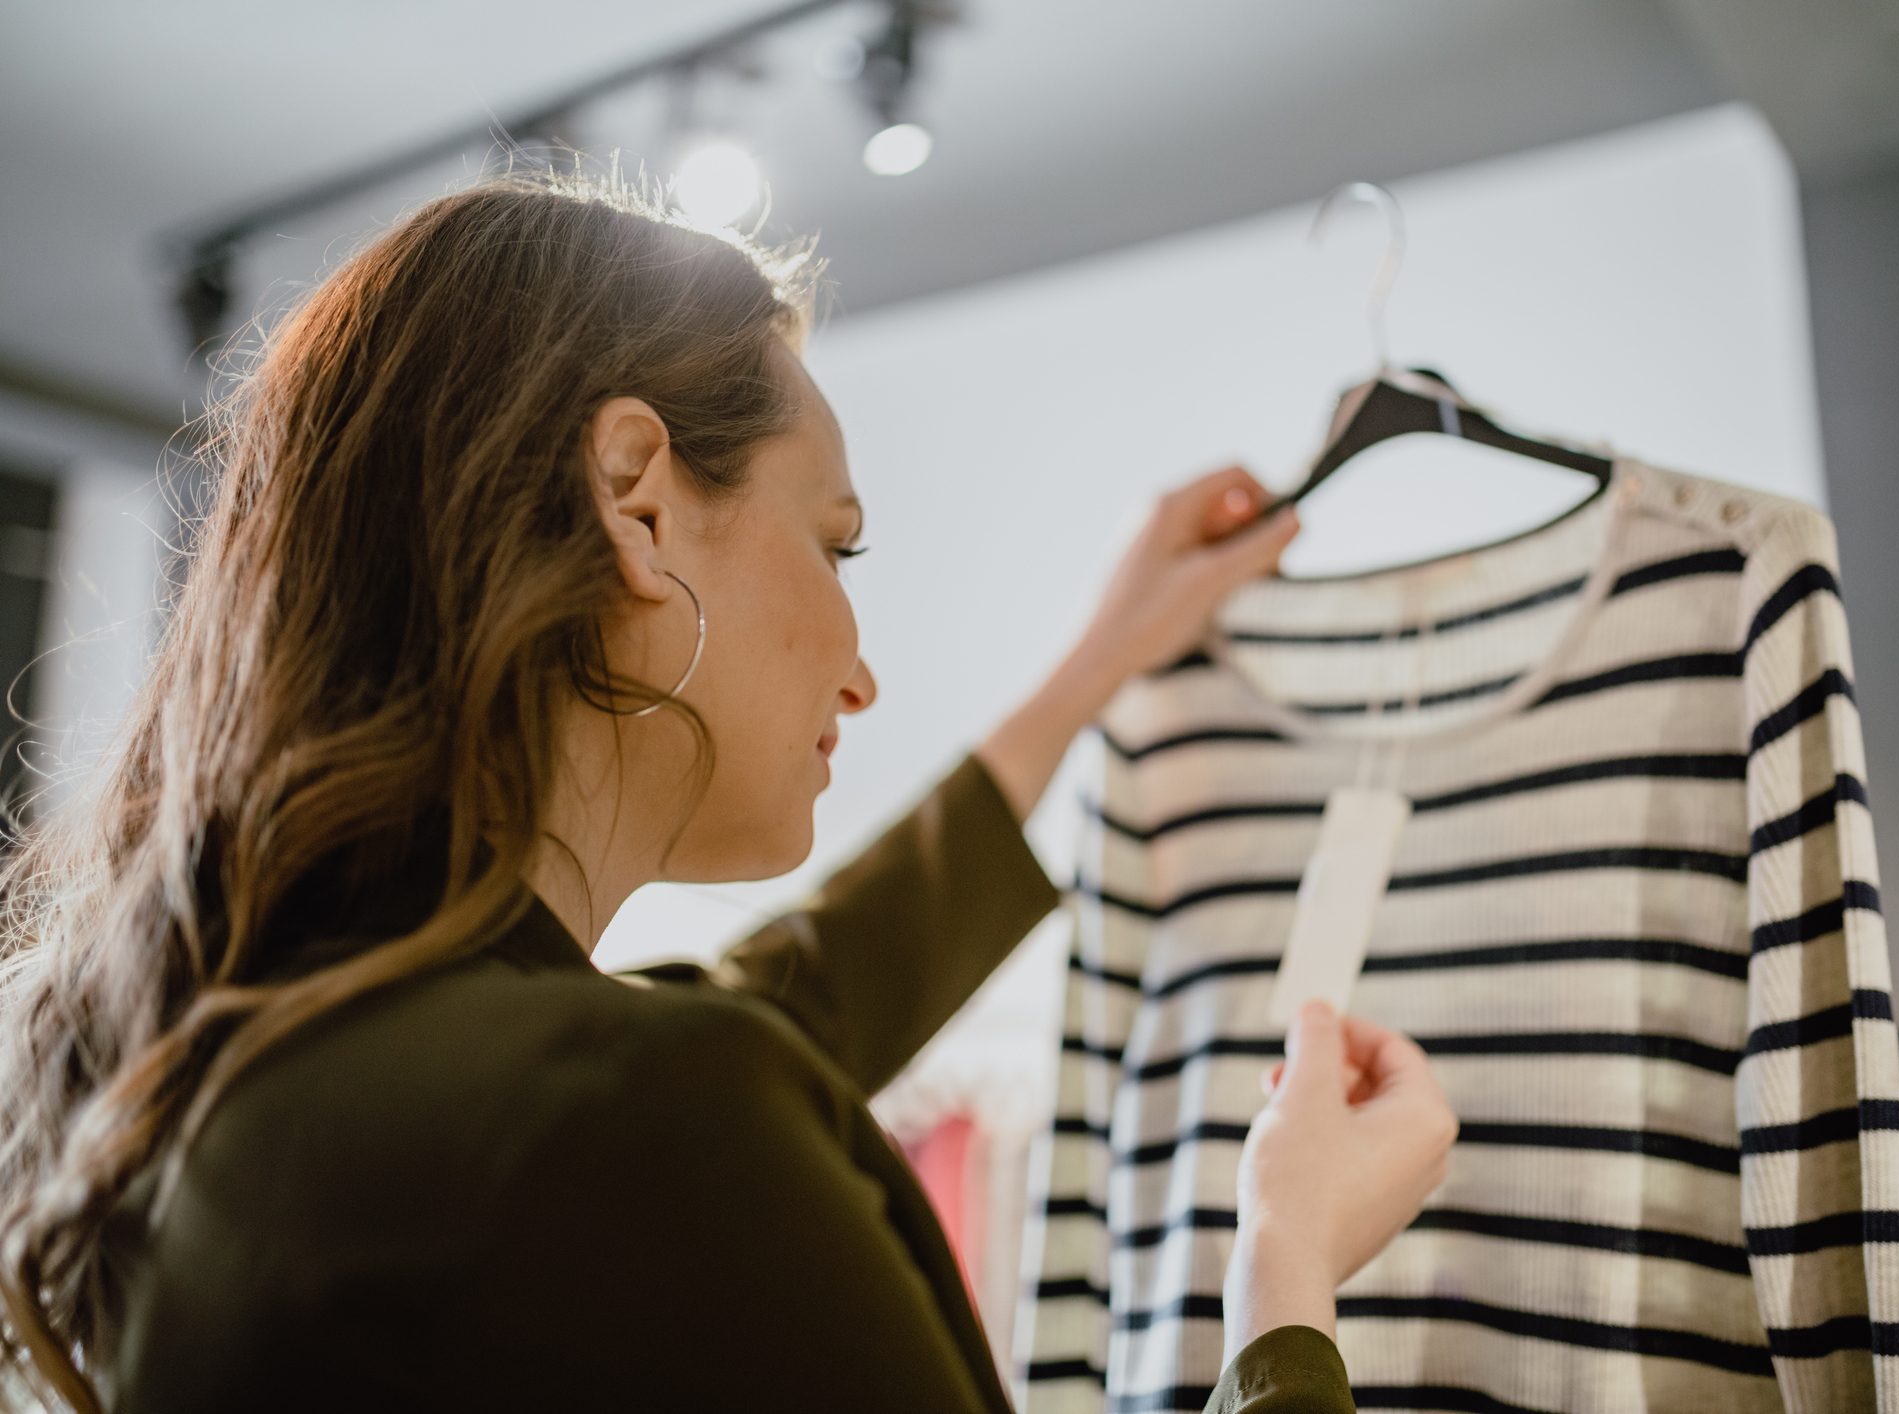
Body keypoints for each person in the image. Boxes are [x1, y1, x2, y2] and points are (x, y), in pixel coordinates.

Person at [0, 165, 1457, 1413]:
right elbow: (706, 1073)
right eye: (838, 545)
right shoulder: (634, 1125)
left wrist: (1091, 668)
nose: (860, 670)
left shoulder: (228, 1078)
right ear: (635, 497)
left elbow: (784, 1003)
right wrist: (1284, 1283)